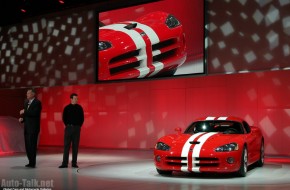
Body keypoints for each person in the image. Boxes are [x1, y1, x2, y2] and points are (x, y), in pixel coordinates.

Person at [59, 93, 84, 168]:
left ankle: (74, 163)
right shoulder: (66, 108)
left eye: (77, 98)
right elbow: (64, 118)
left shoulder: (80, 108)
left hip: (76, 129)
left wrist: (78, 126)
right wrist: (68, 125)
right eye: (75, 98)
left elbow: (82, 119)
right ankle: (64, 163)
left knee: (75, 146)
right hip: (69, 128)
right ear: (71, 99)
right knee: (66, 146)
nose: (76, 100)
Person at [19, 88, 42, 168]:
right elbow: (27, 115)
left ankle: (32, 163)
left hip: (34, 128)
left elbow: (35, 113)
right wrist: (22, 119)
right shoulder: (26, 102)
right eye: (27, 93)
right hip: (27, 127)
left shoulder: (37, 103)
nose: (27, 95)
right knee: (27, 145)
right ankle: (30, 161)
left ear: (33, 94)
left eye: (28, 93)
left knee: (32, 145)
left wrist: (24, 111)